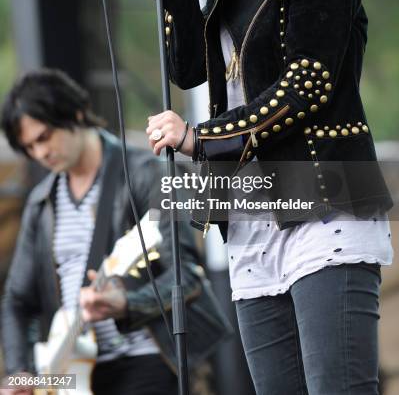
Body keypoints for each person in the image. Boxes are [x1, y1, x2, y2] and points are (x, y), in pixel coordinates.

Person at [144, 0, 394, 395]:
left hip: (324, 200)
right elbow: (188, 71)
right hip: (253, 210)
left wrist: (198, 138)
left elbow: (307, 86)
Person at [0, 69, 230, 395]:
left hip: (149, 358)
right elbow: (17, 300)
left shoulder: (148, 171)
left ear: (77, 114)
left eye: (45, 136)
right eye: (30, 147)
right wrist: (19, 370)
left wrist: (127, 304)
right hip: (74, 374)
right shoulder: (41, 203)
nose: (40, 153)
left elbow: (187, 274)